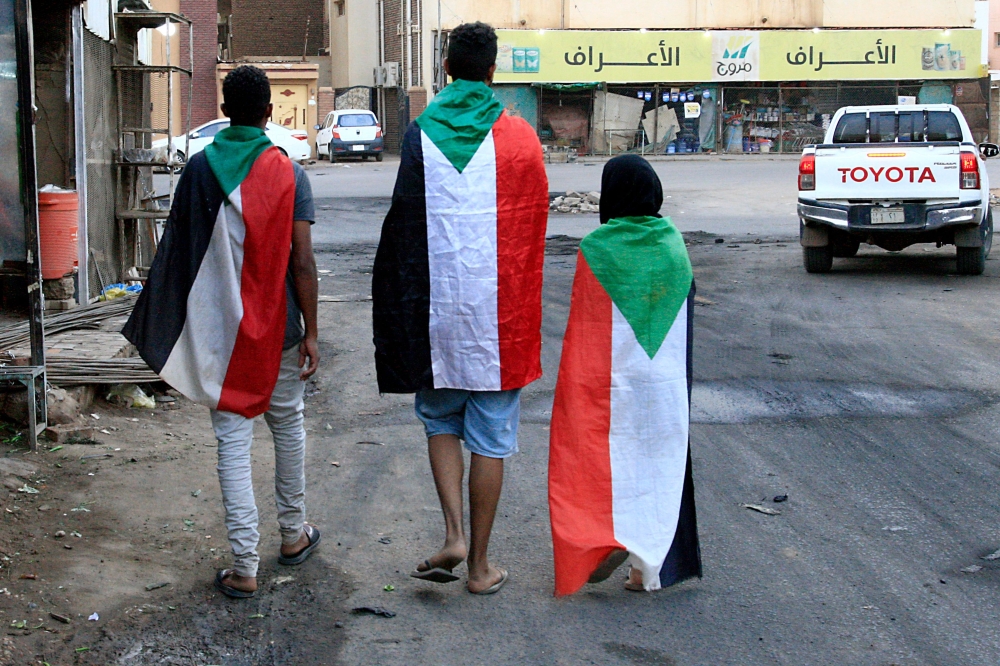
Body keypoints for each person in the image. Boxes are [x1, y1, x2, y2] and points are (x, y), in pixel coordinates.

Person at [123, 65, 321, 599]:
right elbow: (302, 263)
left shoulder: (198, 169)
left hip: (219, 334)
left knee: (232, 442)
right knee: (288, 427)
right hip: (281, 328)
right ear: (269, 114)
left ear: (225, 110)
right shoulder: (289, 172)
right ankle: (293, 535)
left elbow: (180, 253)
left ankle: (244, 565)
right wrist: (312, 333)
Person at [371, 22, 548, 595]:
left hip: (436, 317)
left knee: (441, 420)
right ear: (493, 71)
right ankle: (480, 567)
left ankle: (452, 534)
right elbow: (531, 232)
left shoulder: (420, 133)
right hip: (498, 320)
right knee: (491, 438)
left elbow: (403, 228)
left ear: (446, 67)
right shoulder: (521, 139)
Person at [548, 154, 702, 596]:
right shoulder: (673, 244)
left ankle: (607, 538)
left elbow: (586, 327)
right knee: (659, 465)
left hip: (614, 386)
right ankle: (646, 566)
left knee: (609, 463)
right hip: (665, 385)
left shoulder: (597, 248)